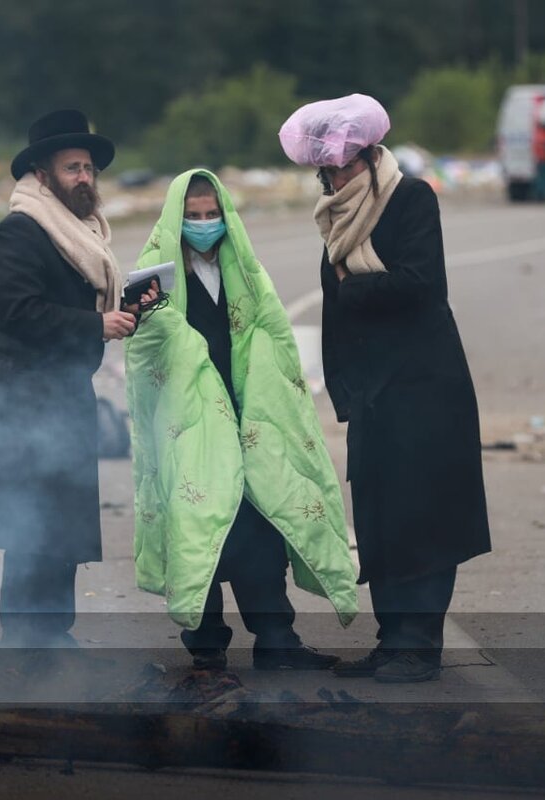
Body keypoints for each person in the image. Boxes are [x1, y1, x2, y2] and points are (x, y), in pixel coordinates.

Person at [279, 94, 492, 683]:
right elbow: (334, 307)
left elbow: (422, 284)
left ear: (372, 157)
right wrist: (343, 388)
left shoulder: (412, 198)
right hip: (374, 393)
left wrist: (353, 287)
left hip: (426, 388)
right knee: (379, 519)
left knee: (425, 517)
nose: (335, 178)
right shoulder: (335, 218)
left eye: (345, 166)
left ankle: (419, 646)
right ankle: (391, 638)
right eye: (327, 170)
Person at [125, 169, 358, 672]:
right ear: (175, 218)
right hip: (188, 423)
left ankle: (277, 640)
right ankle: (206, 647)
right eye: (193, 216)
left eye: (213, 215)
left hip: (249, 413)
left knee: (262, 523)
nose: (205, 225)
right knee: (197, 520)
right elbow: (142, 351)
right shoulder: (152, 272)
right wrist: (180, 343)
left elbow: (270, 331)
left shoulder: (243, 268)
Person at [0, 109, 138, 648]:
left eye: (88, 168)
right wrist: (95, 323)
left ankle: (54, 634)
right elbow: (16, 312)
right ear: (42, 175)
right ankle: (22, 637)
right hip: (25, 398)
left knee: (61, 527)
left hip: (65, 395)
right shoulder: (20, 232)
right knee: (30, 526)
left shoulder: (80, 235)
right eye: (72, 168)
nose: (84, 178)